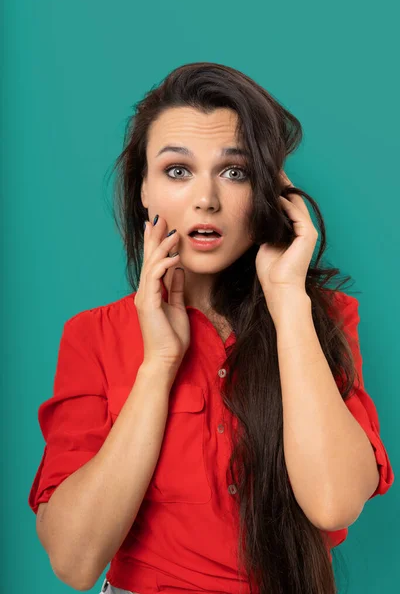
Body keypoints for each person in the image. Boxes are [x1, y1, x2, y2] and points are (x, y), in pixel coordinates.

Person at [28, 62, 394, 594]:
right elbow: (74, 561)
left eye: (235, 172)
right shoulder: (95, 335)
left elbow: (334, 501)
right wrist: (158, 364)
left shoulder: (322, 316)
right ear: (144, 192)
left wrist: (288, 299)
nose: (207, 199)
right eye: (177, 171)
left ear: (270, 191)